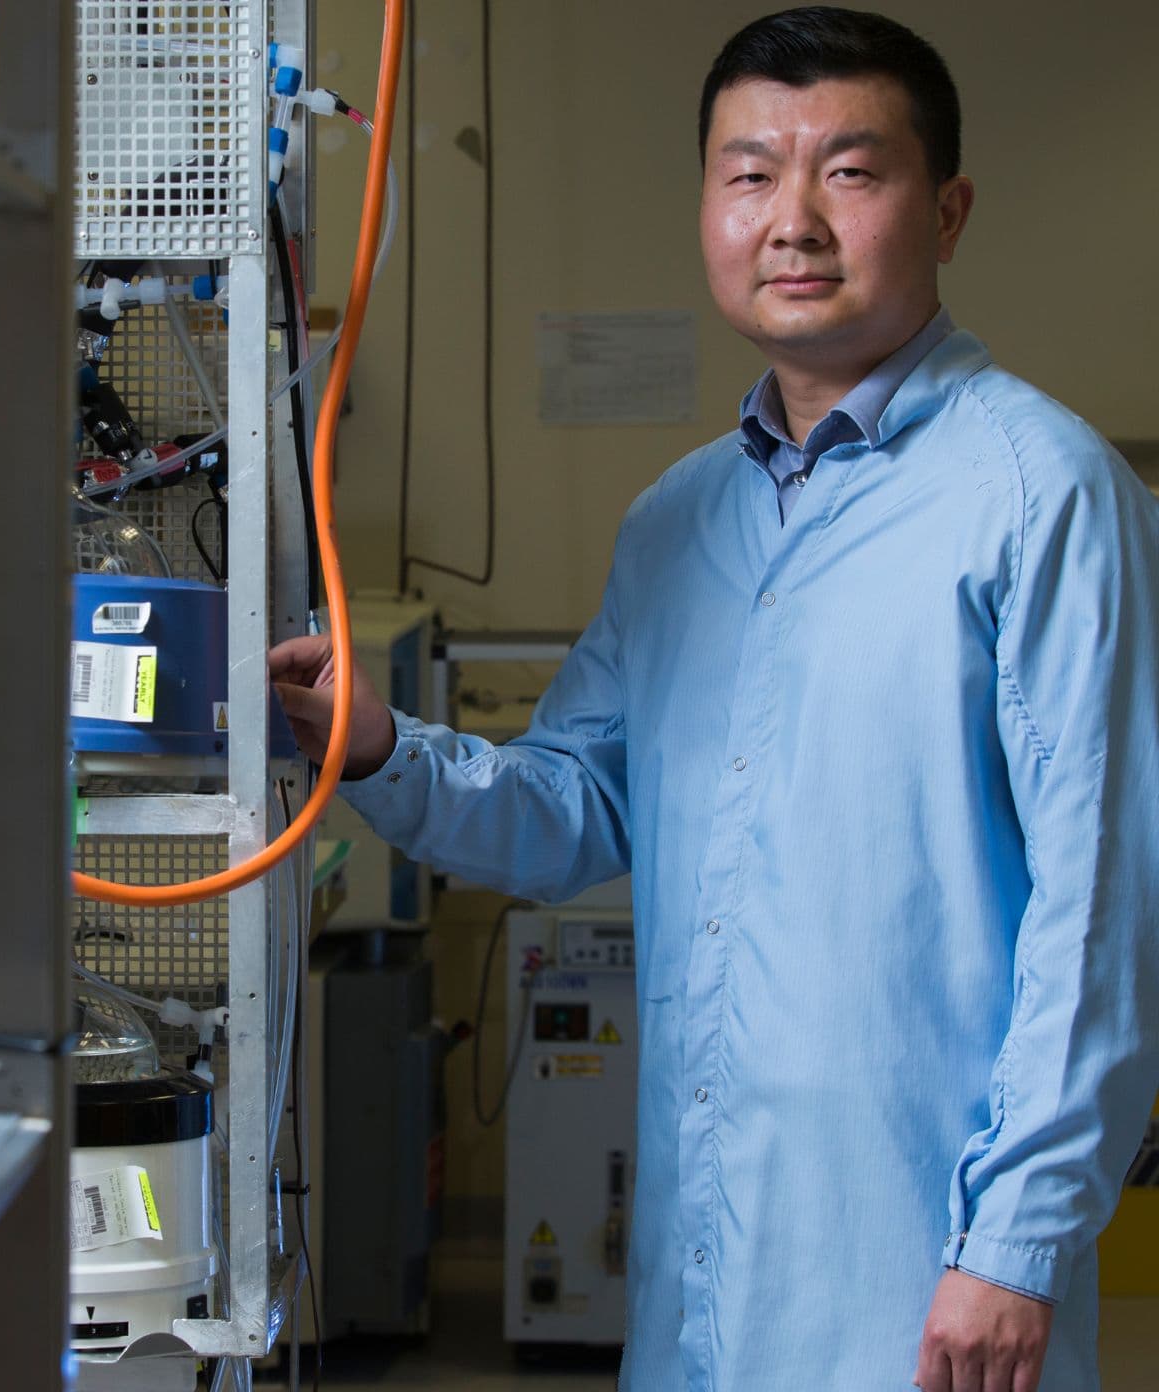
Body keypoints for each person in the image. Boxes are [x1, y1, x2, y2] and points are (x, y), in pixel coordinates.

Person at [270, 8, 1159, 1390]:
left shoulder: (1042, 501)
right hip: (699, 1286)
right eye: (750, 174)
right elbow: (576, 810)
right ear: (706, 208)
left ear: (951, 209)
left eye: (851, 173)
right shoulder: (678, 521)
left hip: (922, 1283)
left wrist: (1017, 1247)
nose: (792, 220)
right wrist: (382, 748)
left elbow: (1101, 909)